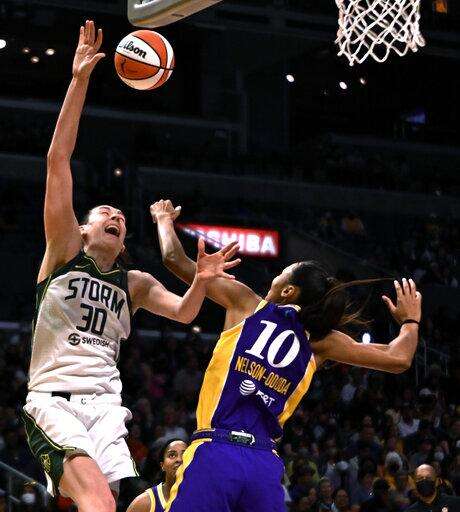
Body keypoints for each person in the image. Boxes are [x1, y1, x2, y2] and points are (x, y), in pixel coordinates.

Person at [21, 22, 239, 512]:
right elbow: (58, 159)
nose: (116, 215)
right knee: (98, 499)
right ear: (83, 229)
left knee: (109, 503)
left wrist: (202, 281)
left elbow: (184, 313)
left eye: (120, 216)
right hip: (56, 399)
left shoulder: (134, 283)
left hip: (105, 406)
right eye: (105, 212)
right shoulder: (64, 251)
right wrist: (78, 80)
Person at [152, 200, 422, 512]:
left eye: (282, 273)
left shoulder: (247, 303)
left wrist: (163, 218)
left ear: (288, 291)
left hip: (217, 450)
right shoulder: (321, 341)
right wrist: (410, 321)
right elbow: (399, 358)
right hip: (264, 465)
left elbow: (173, 258)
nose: (275, 276)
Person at [127, 439, 188, 512]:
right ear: (162, 465)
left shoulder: (199, 497)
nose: (179, 459)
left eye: (184, 455)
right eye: (172, 455)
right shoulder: (144, 503)